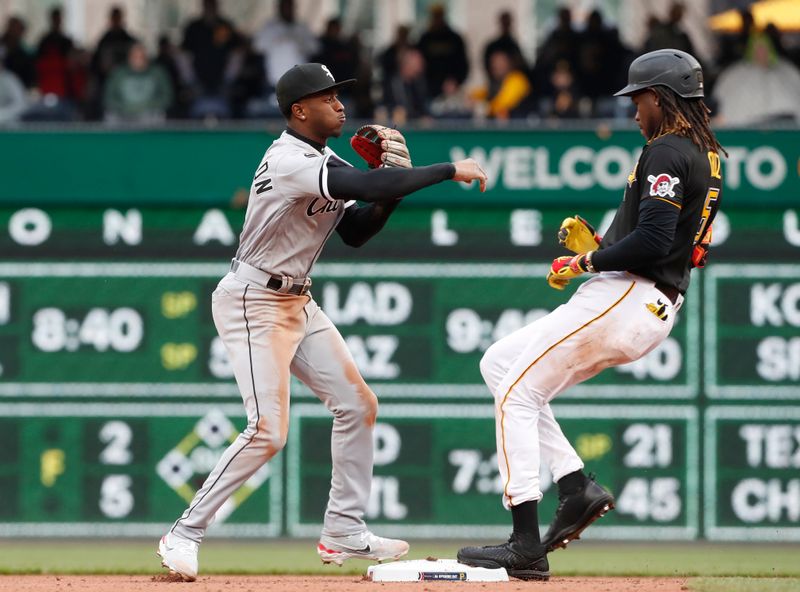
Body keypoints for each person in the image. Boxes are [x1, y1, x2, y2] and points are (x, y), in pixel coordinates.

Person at [157, 62, 487, 582]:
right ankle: (184, 532)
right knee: (268, 431)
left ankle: (343, 530)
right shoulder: (289, 159)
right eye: (327, 96)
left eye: (338, 95)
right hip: (253, 299)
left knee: (358, 404)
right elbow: (356, 185)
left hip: (295, 301)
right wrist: (445, 170)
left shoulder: (322, 156)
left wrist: (391, 189)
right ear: (298, 110)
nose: (339, 104)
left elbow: (356, 229)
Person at [457, 48, 724, 581]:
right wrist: (607, 244)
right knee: (498, 364)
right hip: (644, 299)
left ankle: (525, 544)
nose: (633, 110)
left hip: (627, 295)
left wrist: (587, 260)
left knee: (516, 394)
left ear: (660, 97)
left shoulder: (667, 149)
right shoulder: (707, 154)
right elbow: (673, 241)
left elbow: (652, 241)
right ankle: (575, 485)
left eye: (639, 98)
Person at [103, 43, 173, 123]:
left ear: (147, 57)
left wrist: (147, 106)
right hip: (123, 114)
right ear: (129, 57)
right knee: (110, 115)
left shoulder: (158, 73)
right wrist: (126, 107)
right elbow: (109, 98)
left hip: (150, 114)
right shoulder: (118, 73)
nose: (138, 59)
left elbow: (167, 97)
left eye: (142, 56)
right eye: (135, 56)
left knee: (159, 114)